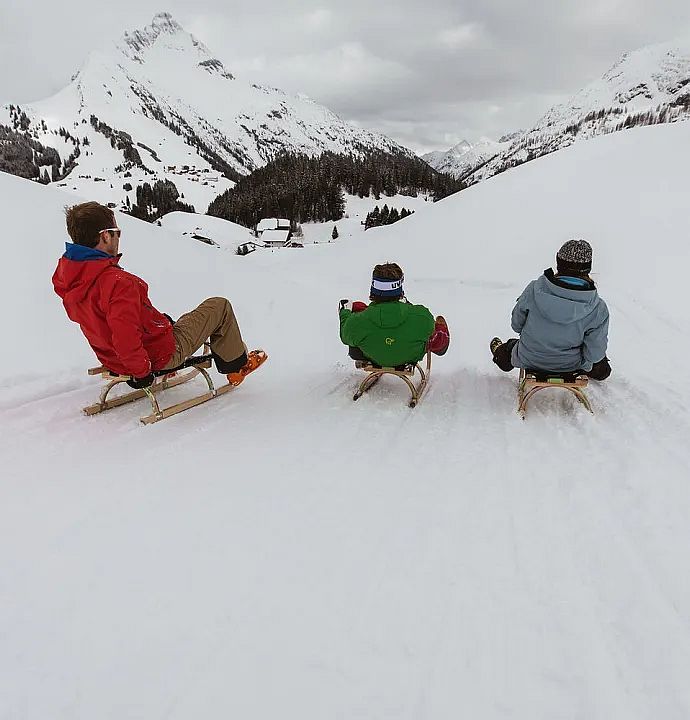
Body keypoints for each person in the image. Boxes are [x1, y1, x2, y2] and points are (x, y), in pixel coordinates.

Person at [52, 201, 267, 388]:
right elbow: (124, 335)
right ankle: (237, 366)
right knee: (219, 306)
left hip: (112, 359)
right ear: (105, 236)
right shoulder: (118, 283)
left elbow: (108, 320)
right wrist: (142, 372)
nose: (118, 237)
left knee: (177, 320)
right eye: (117, 232)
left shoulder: (71, 277)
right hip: (157, 356)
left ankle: (159, 340)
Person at [490, 239, 610, 380]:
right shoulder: (598, 308)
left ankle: (501, 353)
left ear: (558, 263)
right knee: (602, 367)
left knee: (511, 348)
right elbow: (594, 354)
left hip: (530, 358)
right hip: (571, 365)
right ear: (588, 268)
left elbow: (516, 325)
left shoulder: (534, 290)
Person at [339, 262, 450, 368]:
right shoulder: (422, 316)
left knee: (354, 334)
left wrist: (344, 312)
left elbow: (345, 336)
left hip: (373, 356)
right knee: (430, 333)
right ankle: (441, 335)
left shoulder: (358, 321)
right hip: (409, 356)